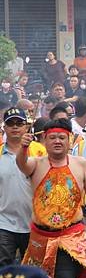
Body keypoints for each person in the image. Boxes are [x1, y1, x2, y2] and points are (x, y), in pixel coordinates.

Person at [17, 118, 86, 278]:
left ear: (69, 140)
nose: (57, 141)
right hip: (40, 237)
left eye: (61, 137)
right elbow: (22, 164)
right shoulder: (36, 163)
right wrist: (23, 148)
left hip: (70, 236)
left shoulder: (81, 164)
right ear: (44, 140)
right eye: (52, 138)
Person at [0, 108, 35, 267]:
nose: (15, 127)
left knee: (31, 271)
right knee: (4, 270)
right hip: (4, 223)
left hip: (34, 223)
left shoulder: (39, 151)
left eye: (19, 123)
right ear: (4, 127)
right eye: (10, 123)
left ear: (26, 127)